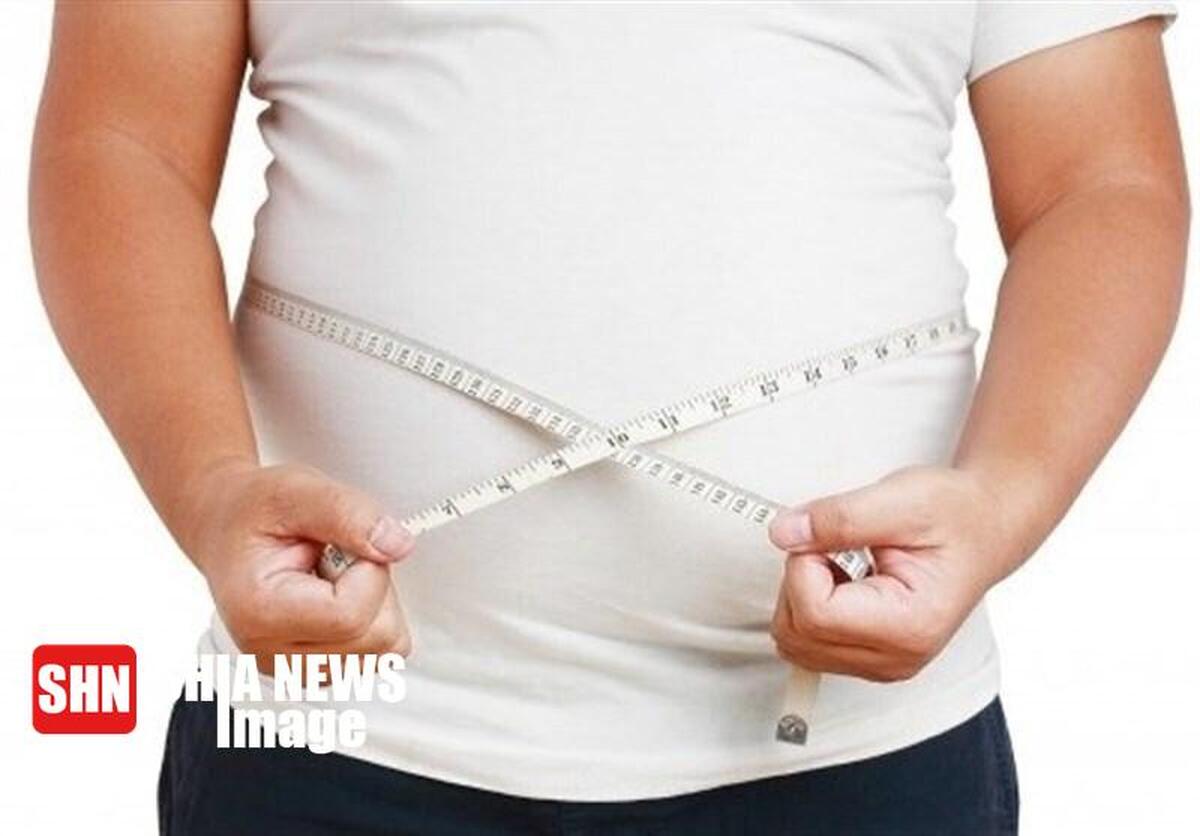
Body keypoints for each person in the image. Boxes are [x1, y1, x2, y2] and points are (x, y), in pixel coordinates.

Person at [30, 2, 1187, 834]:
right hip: (334, 739)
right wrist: (210, 492)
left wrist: (1002, 503)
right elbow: (120, 145)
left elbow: (1101, 182)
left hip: (860, 748)